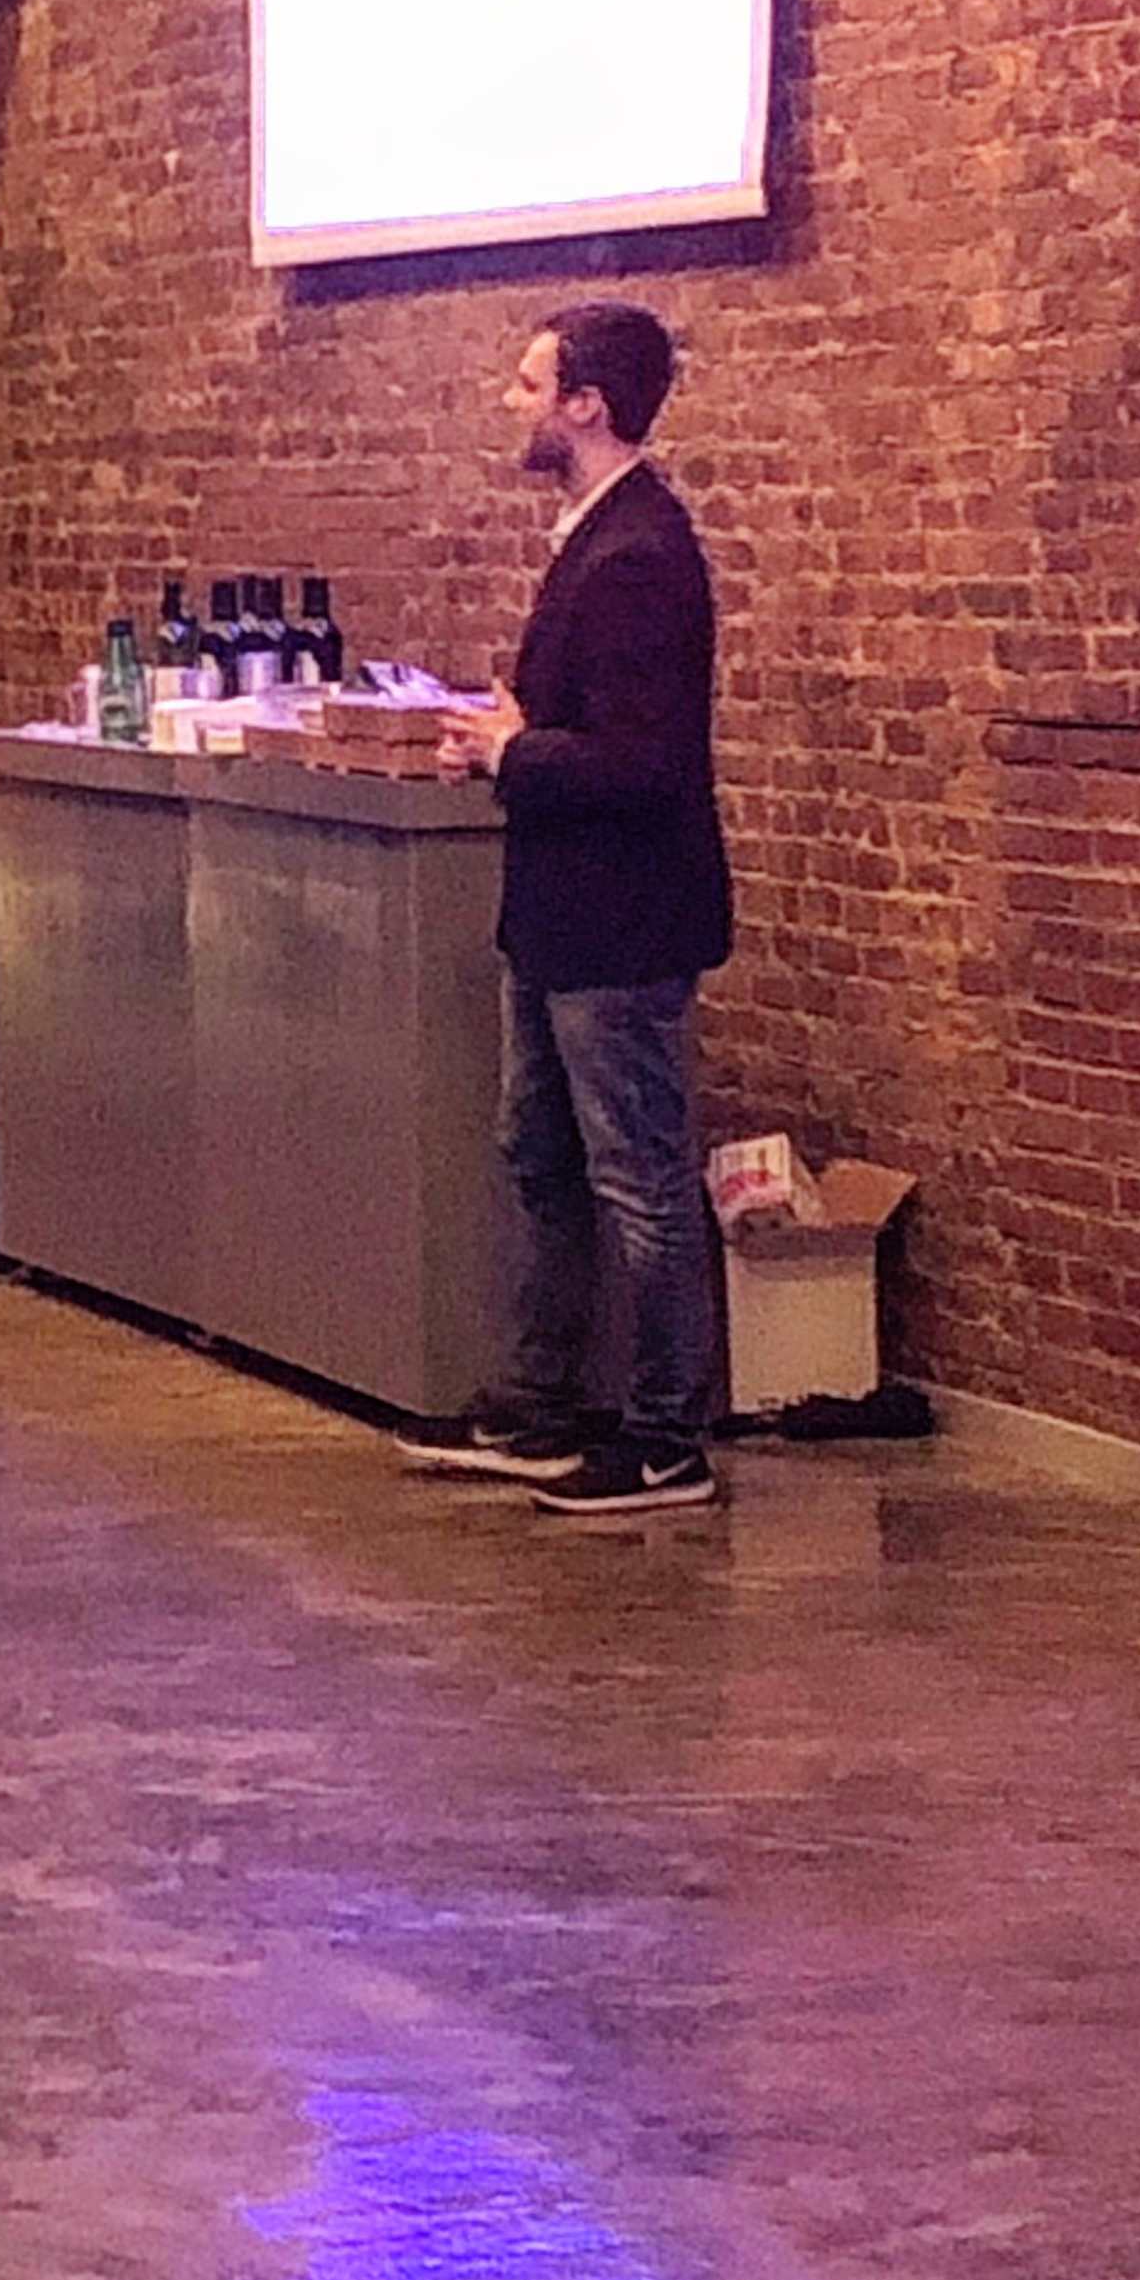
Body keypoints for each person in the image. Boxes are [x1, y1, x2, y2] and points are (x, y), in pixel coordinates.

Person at [408, 302, 735, 1517]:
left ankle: (662, 1441)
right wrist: (502, 741)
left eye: (529, 381)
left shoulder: (640, 553)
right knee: (536, 1158)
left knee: (639, 1179)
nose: (513, 399)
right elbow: (574, 726)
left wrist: (513, 755)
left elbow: (645, 764)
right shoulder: (595, 535)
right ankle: (539, 1410)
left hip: (621, 922)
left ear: (585, 406)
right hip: (555, 917)